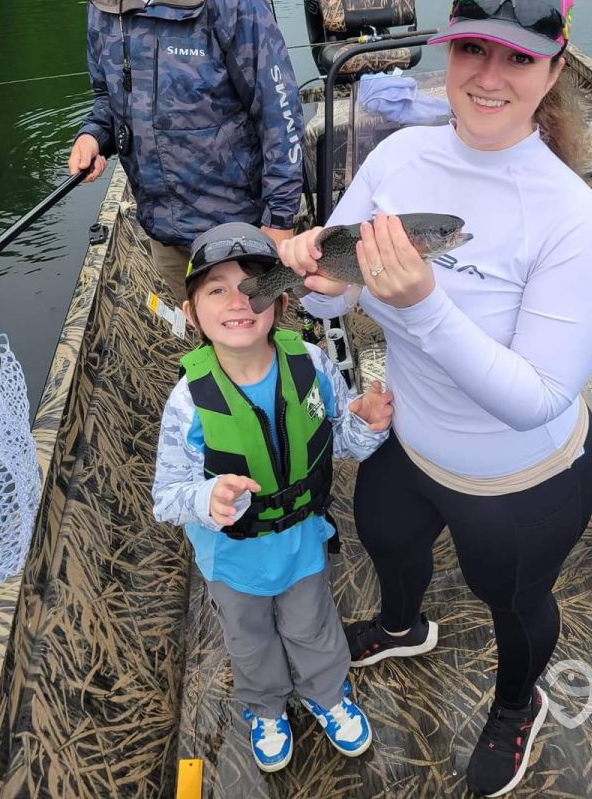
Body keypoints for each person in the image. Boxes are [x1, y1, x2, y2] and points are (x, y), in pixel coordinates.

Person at [279, 0, 592, 797]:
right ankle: (404, 628)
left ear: (554, 70)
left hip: (520, 478)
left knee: (514, 601)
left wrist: (426, 303)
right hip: (413, 440)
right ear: (448, 49)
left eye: (518, 58)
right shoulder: (400, 160)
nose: (488, 76)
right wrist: (313, 276)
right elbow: (331, 300)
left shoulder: (573, 221)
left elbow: (538, 398)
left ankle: (518, 703)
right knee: (386, 534)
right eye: (473, 48)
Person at [152, 222, 393, 772]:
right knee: (250, 641)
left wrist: (366, 424)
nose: (238, 302)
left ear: (281, 304)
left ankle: (327, 695)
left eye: (253, 287)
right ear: (192, 313)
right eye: (216, 289)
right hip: (231, 561)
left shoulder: (311, 363)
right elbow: (167, 497)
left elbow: (340, 438)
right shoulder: (188, 402)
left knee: (314, 627)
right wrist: (207, 499)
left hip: (303, 545)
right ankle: (265, 708)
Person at [67, 0, 304, 303]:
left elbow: (282, 114)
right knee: (202, 334)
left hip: (240, 230)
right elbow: (107, 100)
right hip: (164, 233)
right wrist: (93, 136)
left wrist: (278, 221)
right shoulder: (102, 5)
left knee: (253, 335)